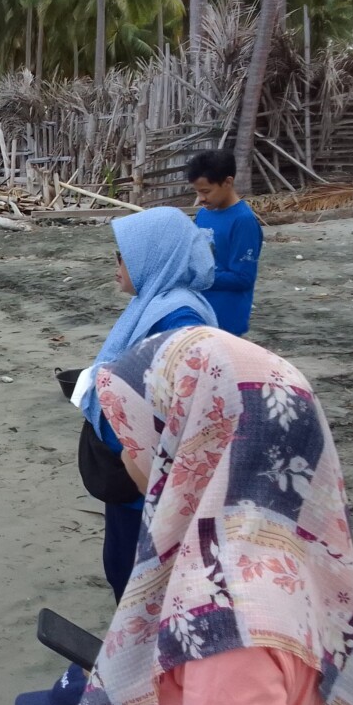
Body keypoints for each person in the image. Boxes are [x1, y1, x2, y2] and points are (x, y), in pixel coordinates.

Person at [36, 325, 353, 705]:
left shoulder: (229, 621)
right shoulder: (284, 563)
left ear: (193, 440)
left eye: (136, 438)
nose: (129, 460)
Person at [78, 207, 217, 601]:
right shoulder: (154, 304)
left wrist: (134, 460)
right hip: (133, 469)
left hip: (146, 478)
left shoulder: (178, 319)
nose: (116, 264)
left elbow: (177, 403)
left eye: (122, 255)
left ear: (154, 257)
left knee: (140, 578)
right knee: (124, 567)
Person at [188, 150, 263, 336]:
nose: (201, 198)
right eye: (197, 192)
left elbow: (243, 277)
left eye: (206, 191)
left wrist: (199, 277)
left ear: (228, 182)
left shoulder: (243, 221)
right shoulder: (203, 214)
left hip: (226, 319)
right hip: (201, 312)